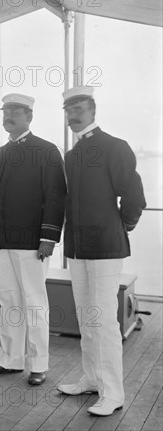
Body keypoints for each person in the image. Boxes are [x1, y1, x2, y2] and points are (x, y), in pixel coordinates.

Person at [56, 86, 146, 416]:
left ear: (93, 110)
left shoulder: (114, 147)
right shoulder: (73, 154)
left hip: (106, 248)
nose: (73, 115)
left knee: (104, 319)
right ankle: (92, 379)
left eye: (79, 108)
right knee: (86, 316)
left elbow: (134, 196)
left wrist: (121, 226)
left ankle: (113, 393)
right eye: (68, 110)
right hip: (78, 249)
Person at [0, 94, 66, 386]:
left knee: (34, 302)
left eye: (16, 112)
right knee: (9, 300)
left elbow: (56, 196)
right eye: (6, 111)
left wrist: (48, 236)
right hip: (2, 241)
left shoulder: (47, 151)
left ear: (29, 116)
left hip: (32, 241)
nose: (9, 116)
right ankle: (11, 359)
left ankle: (39, 364)